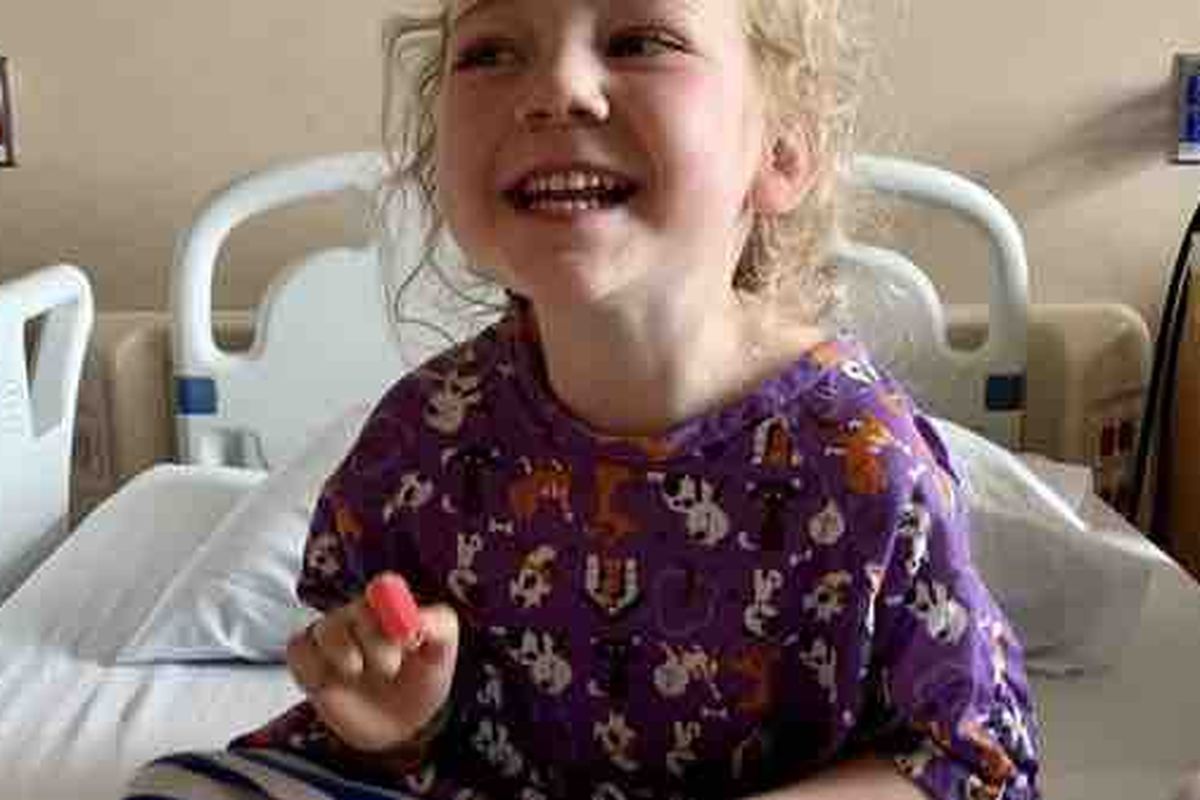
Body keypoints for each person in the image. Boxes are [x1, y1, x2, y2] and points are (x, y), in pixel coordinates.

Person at [138, 0, 1042, 797]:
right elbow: (390, 736)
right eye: (492, 51)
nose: (554, 89)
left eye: (641, 39)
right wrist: (398, 725)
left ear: (781, 148)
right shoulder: (425, 443)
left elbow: (972, 764)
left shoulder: (859, 463)